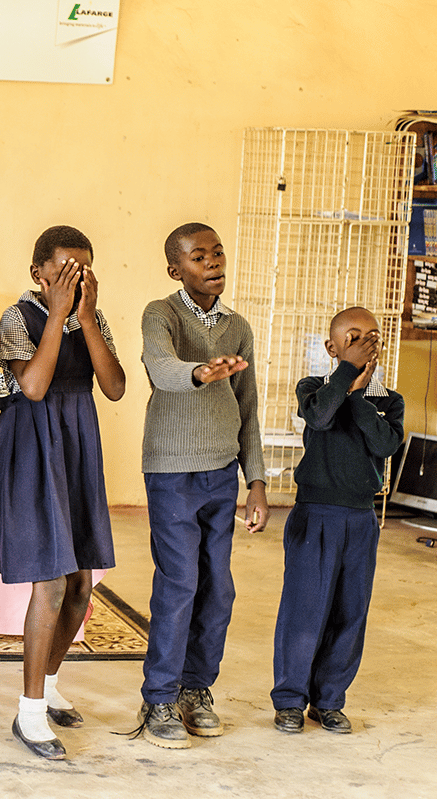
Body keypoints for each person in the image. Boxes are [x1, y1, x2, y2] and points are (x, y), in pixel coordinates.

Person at [0, 226, 125, 759]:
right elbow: (35, 385)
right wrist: (58, 314)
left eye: (85, 269)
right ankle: (28, 714)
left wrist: (85, 316)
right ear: (38, 274)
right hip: (31, 445)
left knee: (80, 584)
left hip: (76, 444)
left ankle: (46, 687)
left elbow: (113, 387)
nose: (77, 278)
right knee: (49, 581)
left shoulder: (91, 318)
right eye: (66, 269)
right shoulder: (17, 318)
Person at [136, 222, 269, 748]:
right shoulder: (159, 314)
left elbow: (250, 405)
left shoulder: (238, 327)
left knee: (219, 587)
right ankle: (160, 697)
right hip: (171, 469)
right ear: (176, 270)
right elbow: (161, 367)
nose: (212, 263)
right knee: (180, 582)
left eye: (217, 254)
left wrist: (255, 479)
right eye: (198, 257)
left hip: (221, 471)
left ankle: (196, 688)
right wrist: (200, 373)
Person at [270, 307, 403, 735]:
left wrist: (360, 396)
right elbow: (321, 418)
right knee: (304, 610)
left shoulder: (390, 400)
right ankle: (290, 699)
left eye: (372, 337)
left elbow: (384, 445)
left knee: (350, 611)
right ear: (332, 348)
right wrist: (346, 379)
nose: (365, 344)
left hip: (360, 519)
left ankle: (328, 700)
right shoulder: (314, 389)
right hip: (316, 515)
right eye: (353, 337)